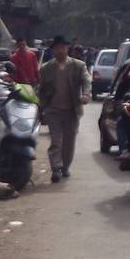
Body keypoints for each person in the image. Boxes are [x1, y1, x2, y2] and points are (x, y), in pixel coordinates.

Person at [36, 36, 89, 182]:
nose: (60, 50)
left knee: (69, 141)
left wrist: (85, 94)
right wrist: (40, 104)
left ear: (68, 49)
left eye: (63, 47)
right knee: (56, 141)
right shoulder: (46, 68)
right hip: (53, 110)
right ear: (53, 50)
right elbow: (40, 88)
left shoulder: (79, 66)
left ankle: (65, 166)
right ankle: (56, 168)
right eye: (57, 48)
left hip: (72, 110)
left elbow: (86, 80)